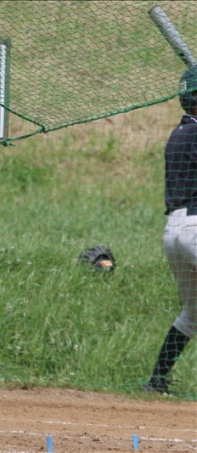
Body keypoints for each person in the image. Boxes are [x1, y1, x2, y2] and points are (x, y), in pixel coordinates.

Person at [143, 65, 197, 394]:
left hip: (174, 231)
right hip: (195, 228)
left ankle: (157, 381)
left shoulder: (178, 133)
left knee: (193, 313)